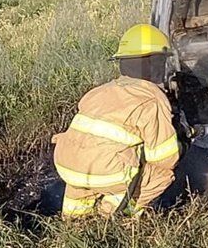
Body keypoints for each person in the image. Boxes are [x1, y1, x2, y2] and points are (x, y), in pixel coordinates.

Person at [52, 24, 181, 218]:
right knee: (161, 175)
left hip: (66, 164)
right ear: (156, 62)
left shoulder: (100, 91)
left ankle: (73, 226)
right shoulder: (151, 99)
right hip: (107, 172)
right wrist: (183, 143)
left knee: (83, 185)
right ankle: (114, 218)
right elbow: (164, 158)